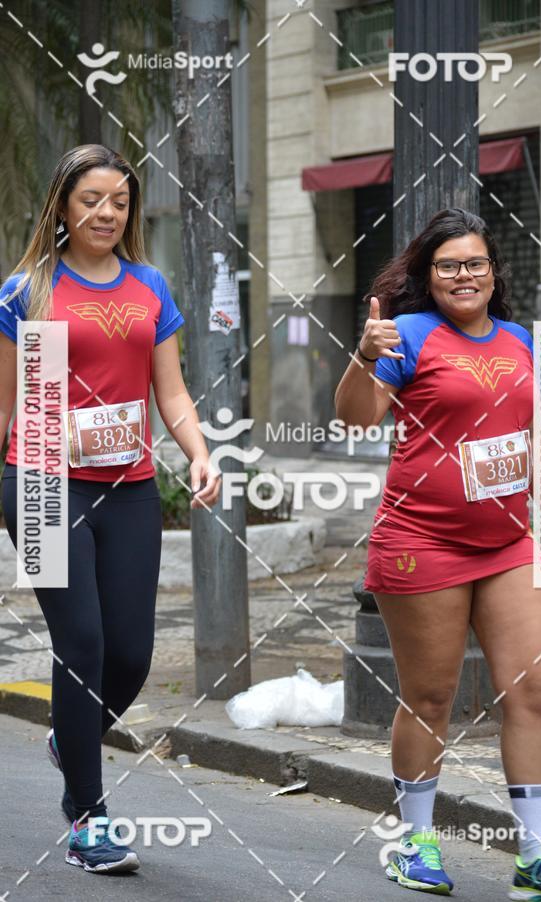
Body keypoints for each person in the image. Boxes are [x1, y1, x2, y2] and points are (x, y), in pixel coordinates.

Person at [335, 208, 541, 900]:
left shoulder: (518, 340)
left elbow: (539, 437)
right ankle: (414, 842)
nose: (463, 275)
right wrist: (364, 356)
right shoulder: (408, 335)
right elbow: (356, 416)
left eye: (475, 262)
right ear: (428, 276)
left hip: (509, 544)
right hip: (422, 542)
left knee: (533, 690)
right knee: (430, 696)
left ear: (493, 271)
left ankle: (535, 855)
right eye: (448, 265)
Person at [0, 144, 221, 874]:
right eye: (91, 199)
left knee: (131, 653)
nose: (106, 212)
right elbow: (5, 406)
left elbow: (174, 393)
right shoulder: (27, 290)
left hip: (128, 486)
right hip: (39, 483)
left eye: (119, 201)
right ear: (63, 204)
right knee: (84, 645)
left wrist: (197, 451)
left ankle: (75, 735)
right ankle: (89, 820)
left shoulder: (149, 286)